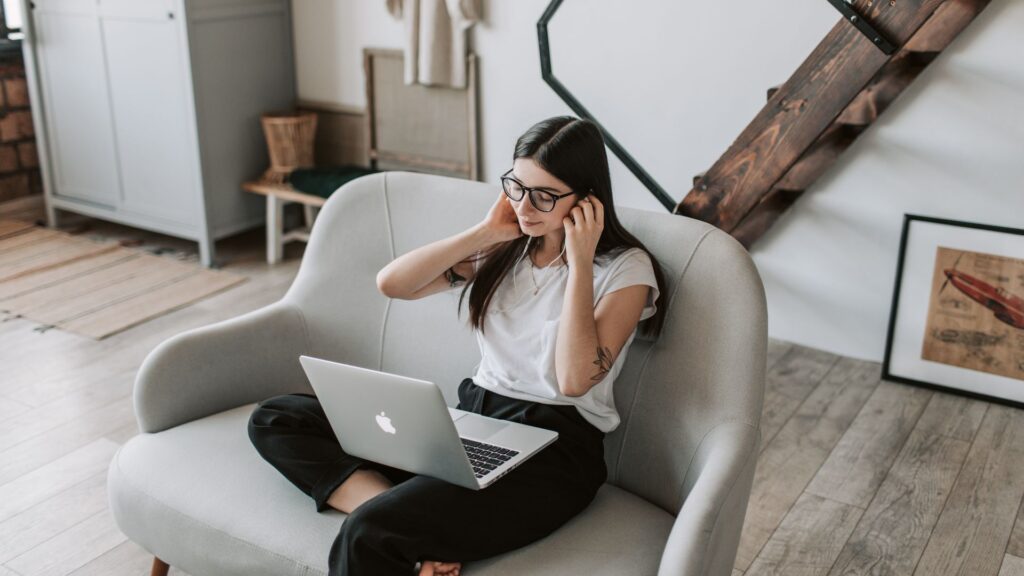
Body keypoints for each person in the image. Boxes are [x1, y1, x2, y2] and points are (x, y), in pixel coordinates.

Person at [248, 116, 668, 575]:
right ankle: (402, 517)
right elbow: (393, 284)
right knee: (277, 417)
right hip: (472, 424)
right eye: (516, 186)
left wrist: (580, 260)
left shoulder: (625, 270)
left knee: (369, 533)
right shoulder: (509, 249)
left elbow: (572, 380)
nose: (525, 207)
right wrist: (485, 232)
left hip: (555, 453)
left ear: (587, 200)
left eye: (544, 196)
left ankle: (398, 521)